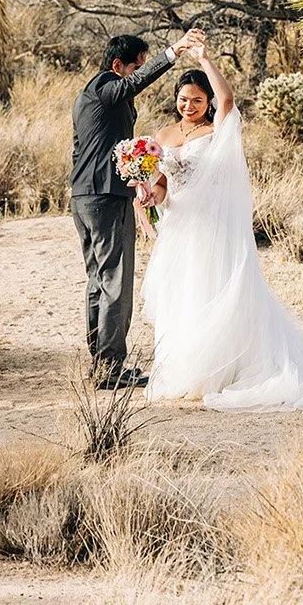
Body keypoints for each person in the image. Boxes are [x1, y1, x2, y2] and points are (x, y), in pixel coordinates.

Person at [140, 36, 303, 410]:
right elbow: (162, 187)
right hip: (178, 226)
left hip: (212, 225)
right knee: (182, 294)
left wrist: (205, 58)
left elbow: (228, 100)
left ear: (207, 102)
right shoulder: (162, 136)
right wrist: (147, 194)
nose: (189, 106)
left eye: (197, 99)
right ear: (175, 98)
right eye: (183, 98)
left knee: (212, 289)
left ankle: (220, 372)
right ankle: (188, 372)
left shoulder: (217, 130)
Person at [71, 28, 202, 388]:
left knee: (99, 279)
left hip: (84, 197)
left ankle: (101, 365)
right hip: (106, 199)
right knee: (116, 280)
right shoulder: (105, 88)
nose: (139, 73)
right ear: (118, 65)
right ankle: (111, 368)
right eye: (136, 67)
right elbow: (132, 86)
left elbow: (84, 149)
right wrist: (173, 51)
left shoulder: (86, 98)